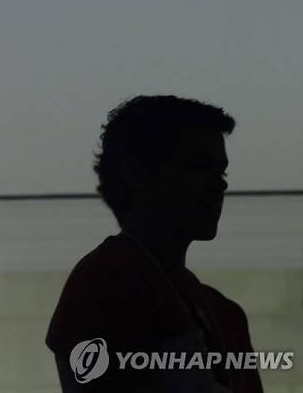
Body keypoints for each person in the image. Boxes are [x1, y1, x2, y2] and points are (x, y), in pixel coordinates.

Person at [45, 95, 263, 392]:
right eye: (199, 166)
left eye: (220, 171)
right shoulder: (104, 283)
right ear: (136, 173)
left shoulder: (226, 315)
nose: (219, 184)